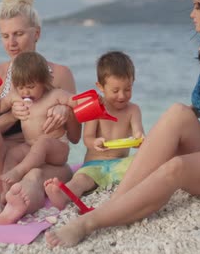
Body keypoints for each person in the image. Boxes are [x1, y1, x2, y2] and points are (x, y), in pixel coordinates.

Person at [45, 0, 200, 248]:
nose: (191, 14)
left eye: (197, 7)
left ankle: (89, 223)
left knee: (175, 167)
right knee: (178, 111)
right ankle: (116, 205)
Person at [0, 0, 81, 219]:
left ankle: (17, 204)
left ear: (36, 33)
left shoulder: (60, 75)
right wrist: (12, 115)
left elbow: (74, 137)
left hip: (46, 165)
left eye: (19, 34)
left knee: (35, 176)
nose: (12, 43)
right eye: (5, 36)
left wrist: (65, 111)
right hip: (0, 170)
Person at [0, 51, 83, 224]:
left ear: (44, 81)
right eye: (21, 87)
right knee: (13, 154)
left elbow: (76, 101)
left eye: (31, 86)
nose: (25, 91)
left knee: (42, 143)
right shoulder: (15, 95)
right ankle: (7, 191)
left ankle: (18, 172)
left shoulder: (55, 95)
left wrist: (93, 102)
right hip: (31, 147)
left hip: (55, 148)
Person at [44, 51, 145, 210]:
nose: (122, 96)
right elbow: (88, 138)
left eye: (127, 89)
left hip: (119, 163)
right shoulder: (96, 108)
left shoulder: (133, 110)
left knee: (142, 162)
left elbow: (138, 134)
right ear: (100, 87)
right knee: (82, 180)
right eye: (115, 90)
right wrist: (95, 142)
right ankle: (63, 195)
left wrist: (140, 140)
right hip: (95, 163)